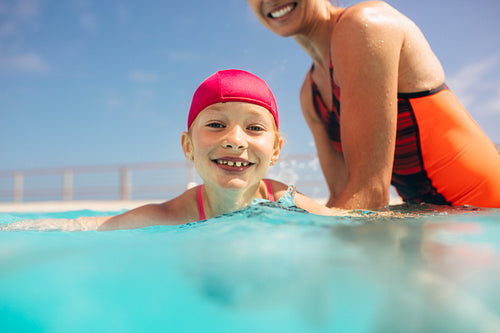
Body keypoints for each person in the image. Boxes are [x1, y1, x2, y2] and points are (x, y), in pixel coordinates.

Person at [247, 0, 500, 209]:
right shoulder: (310, 95)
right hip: (440, 223)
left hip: (487, 216)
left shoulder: (364, 26)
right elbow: (341, 197)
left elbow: (370, 194)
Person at [98, 69, 343, 230]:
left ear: (276, 150)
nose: (235, 140)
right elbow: (91, 226)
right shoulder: (170, 217)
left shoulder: (287, 204)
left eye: (255, 128)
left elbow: (352, 223)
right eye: (216, 125)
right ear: (188, 146)